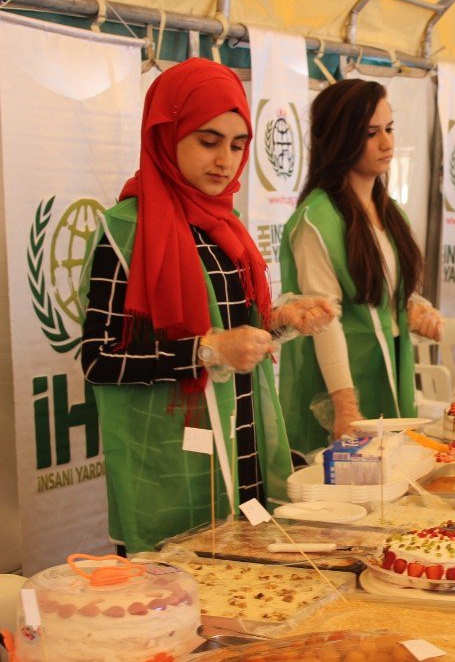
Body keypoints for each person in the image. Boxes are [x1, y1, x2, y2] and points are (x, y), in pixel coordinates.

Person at [80, 58, 333, 552]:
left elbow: (236, 335)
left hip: (246, 452)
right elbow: (99, 359)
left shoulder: (225, 226)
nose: (226, 161)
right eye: (208, 140)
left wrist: (280, 322)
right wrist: (207, 351)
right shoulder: (126, 230)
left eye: (238, 146)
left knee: (251, 601)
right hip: (173, 464)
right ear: (166, 135)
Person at [280, 79, 443, 450]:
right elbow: (324, 320)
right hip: (340, 384)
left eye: (389, 129)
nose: (387, 143)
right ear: (340, 138)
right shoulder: (316, 219)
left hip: (390, 373)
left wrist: (416, 312)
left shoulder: (390, 211)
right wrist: (345, 406)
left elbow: (388, 294)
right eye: (371, 133)